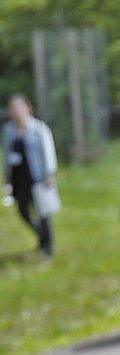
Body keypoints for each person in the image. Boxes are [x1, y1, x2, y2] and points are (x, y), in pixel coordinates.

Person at [1, 93, 58, 257]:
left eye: (19, 107)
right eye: (13, 108)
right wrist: (7, 179)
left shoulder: (39, 129)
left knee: (43, 212)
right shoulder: (8, 131)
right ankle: (40, 234)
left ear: (28, 108)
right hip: (19, 179)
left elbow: (48, 152)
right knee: (23, 210)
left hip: (37, 176)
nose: (16, 111)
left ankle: (48, 247)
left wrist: (49, 173)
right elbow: (6, 157)